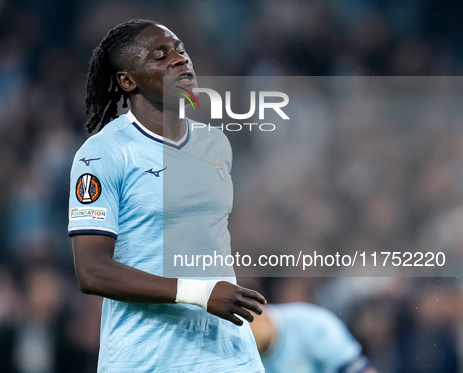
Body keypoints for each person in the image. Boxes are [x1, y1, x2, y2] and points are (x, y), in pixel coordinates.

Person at [68, 19, 266, 372]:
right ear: (127, 80)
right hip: (148, 358)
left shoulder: (216, 144)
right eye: (160, 56)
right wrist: (200, 294)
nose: (179, 60)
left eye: (180, 50)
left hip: (230, 354)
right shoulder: (101, 154)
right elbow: (92, 271)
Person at [250, 302, 378, 373]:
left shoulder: (312, 325)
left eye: (247, 328)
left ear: (261, 314)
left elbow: (361, 370)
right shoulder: (237, 354)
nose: (242, 338)